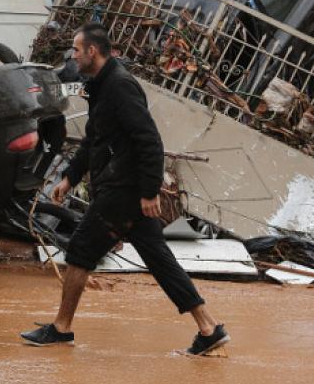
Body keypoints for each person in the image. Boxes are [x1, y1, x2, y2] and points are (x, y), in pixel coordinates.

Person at [20, 23, 230, 356]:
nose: (72, 56)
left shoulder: (120, 86)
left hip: (123, 190)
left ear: (92, 51)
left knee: (79, 252)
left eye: (76, 50)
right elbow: (94, 139)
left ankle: (61, 328)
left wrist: (150, 192)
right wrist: (70, 177)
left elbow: (150, 141)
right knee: (159, 258)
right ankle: (208, 328)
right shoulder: (101, 86)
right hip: (123, 188)